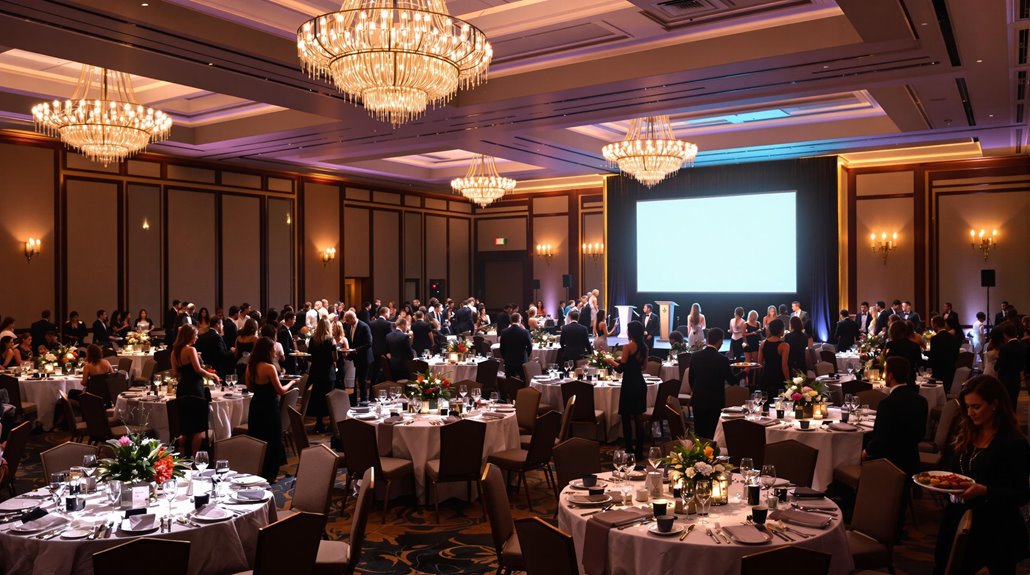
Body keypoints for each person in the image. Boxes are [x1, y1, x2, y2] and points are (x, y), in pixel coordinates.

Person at [933, 376, 1029, 575]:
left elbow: (1021, 494)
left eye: (976, 407)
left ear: (994, 405)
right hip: (957, 518)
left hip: (995, 527)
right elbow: (950, 470)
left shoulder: (1013, 443)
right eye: (967, 407)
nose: (969, 413)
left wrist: (984, 491)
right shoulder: (966, 433)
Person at [863, 356, 928, 480]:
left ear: (891, 375)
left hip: (888, 464)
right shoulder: (921, 401)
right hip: (911, 461)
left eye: (885, 371)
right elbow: (921, 434)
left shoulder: (887, 404)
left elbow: (879, 439)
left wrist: (867, 450)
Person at [245, 336, 294, 483]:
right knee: (272, 439)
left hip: (256, 405)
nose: (275, 351)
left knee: (258, 437)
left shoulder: (251, 365)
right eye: (273, 349)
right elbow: (280, 390)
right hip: (269, 406)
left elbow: (249, 387)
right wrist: (291, 383)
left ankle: (258, 470)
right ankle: (271, 475)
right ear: (267, 350)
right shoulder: (269, 367)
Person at [172, 324, 220, 456]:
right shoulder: (190, 350)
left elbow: (176, 374)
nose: (197, 337)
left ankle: (181, 459)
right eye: (195, 335)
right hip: (195, 389)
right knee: (199, 428)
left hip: (182, 390)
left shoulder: (174, 352)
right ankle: (194, 459)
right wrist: (213, 375)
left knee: (185, 428)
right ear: (189, 336)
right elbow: (198, 370)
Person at [606, 320, 648, 458]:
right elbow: (644, 367)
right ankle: (640, 450)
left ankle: (629, 449)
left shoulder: (627, 347)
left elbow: (620, 369)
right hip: (640, 383)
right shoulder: (644, 348)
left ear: (631, 333)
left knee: (625, 416)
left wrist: (609, 360)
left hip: (629, 384)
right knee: (638, 417)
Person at [689, 328, 737, 439]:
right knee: (712, 433)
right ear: (720, 341)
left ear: (707, 339)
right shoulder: (722, 359)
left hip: (698, 399)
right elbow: (732, 381)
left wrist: (696, 392)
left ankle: (699, 455)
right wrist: (745, 372)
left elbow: (691, 378)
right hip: (715, 401)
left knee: (699, 433)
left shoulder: (695, 356)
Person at [307, 317, 338, 433]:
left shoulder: (312, 340)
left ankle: (319, 423)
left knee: (317, 398)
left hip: (315, 372)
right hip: (328, 372)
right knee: (328, 398)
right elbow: (335, 358)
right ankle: (330, 423)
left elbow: (309, 357)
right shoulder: (331, 340)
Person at [343, 310, 373, 404]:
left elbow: (369, 344)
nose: (346, 323)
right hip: (355, 357)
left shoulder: (364, 326)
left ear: (352, 318)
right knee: (355, 380)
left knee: (362, 380)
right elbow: (350, 340)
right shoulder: (349, 326)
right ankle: (353, 402)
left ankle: (364, 401)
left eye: (347, 320)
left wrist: (355, 350)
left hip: (364, 357)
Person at [995, 322, 1025, 408]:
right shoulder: (1022, 346)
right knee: (1014, 402)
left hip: (1006, 379)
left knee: (1005, 403)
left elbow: (1001, 365)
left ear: (1005, 334)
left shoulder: (1005, 348)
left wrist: (996, 367)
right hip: (1016, 378)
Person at [927, 316, 960, 394]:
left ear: (935, 325)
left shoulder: (935, 339)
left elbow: (934, 357)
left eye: (932, 324)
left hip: (938, 373)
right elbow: (956, 354)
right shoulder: (954, 338)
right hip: (951, 372)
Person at [758, 319, 790, 397]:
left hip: (766, 376)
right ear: (781, 330)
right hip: (778, 377)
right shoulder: (784, 345)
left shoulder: (763, 343)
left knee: (765, 403)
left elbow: (759, 363)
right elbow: (784, 366)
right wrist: (789, 382)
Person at [499, 313, 532, 384]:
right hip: (522, 359)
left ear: (511, 320)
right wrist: (526, 355)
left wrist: (505, 357)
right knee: (523, 380)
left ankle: (510, 394)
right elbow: (529, 347)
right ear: (519, 320)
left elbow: (502, 348)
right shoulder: (525, 332)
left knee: (509, 381)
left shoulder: (504, 332)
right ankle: (522, 394)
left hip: (509, 359)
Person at [386, 316, 416, 381]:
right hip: (403, 366)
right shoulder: (404, 336)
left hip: (392, 365)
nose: (407, 327)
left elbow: (387, 351)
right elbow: (410, 353)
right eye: (407, 325)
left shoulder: (388, 335)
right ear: (403, 325)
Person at [370, 306, 393, 384]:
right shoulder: (388, 324)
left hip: (374, 350)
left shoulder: (371, 323)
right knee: (386, 372)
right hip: (384, 351)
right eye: (389, 313)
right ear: (386, 313)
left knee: (374, 373)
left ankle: (372, 394)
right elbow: (390, 338)